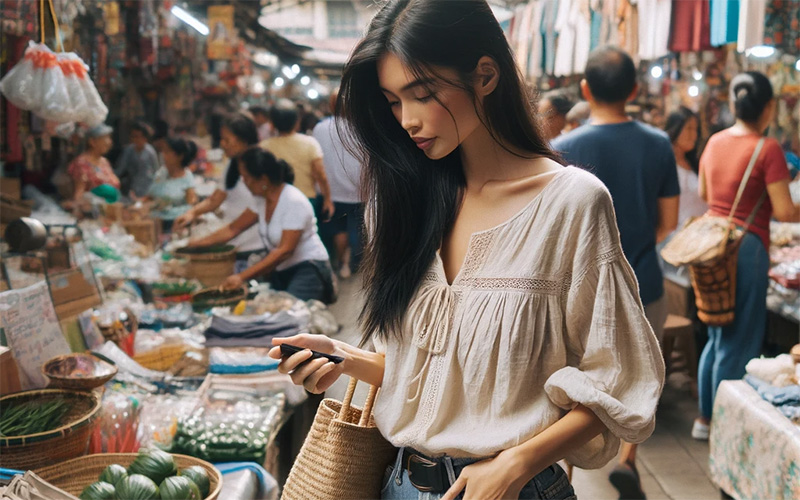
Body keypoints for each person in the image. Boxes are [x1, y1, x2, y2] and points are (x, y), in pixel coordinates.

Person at [267, 3, 664, 500]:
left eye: (422, 94)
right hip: (399, 484)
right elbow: (435, 376)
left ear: (485, 75)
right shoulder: (405, 204)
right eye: (392, 101)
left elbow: (619, 380)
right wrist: (345, 359)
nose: (408, 120)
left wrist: (514, 465)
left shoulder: (571, 203)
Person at [552, 46, 679, 500]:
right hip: (644, 280)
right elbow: (668, 223)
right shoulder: (659, 144)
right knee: (642, 377)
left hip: (578, 292)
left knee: (573, 383)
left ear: (585, 89)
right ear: (634, 90)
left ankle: (564, 473)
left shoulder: (561, 150)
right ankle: (628, 460)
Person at [693, 71, 800, 441]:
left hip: (711, 244)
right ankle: (725, 425)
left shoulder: (714, 141)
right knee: (740, 340)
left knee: (716, 336)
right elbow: (785, 211)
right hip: (746, 248)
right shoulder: (767, 148)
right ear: (768, 107)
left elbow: (707, 191)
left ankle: (704, 419)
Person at [187, 148, 334, 302]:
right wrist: (195, 245)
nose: (244, 182)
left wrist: (241, 276)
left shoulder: (293, 201)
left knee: (291, 316)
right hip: (281, 270)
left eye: (247, 178)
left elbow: (285, 250)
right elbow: (233, 229)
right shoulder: (261, 200)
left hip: (308, 268)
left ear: (263, 180)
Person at [174, 113, 265, 271]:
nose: (222, 144)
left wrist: (196, 244)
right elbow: (215, 199)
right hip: (234, 248)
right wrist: (192, 213)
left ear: (243, 139)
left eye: (227, 139)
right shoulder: (232, 165)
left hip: (253, 248)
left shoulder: (260, 168)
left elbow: (235, 227)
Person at [313, 89, 364, 279]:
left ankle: (340, 263)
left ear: (332, 105)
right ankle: (350, 264)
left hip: (331, 191)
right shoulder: (363, 128)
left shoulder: (320, 128)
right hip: (358, 189)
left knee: (339, 229)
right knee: (356, 229)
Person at [261, 100, 335, 221]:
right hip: (306, 198)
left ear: (272, 123)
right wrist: (327, 199)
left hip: (276, 200)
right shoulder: (309, 143)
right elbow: (320, 174)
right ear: (297, 122)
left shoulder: (264, 147)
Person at [664, 106, 707, 226]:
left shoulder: (695, 163)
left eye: (696, 130)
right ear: (675, 128)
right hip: (673, 238)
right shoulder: (663, 163)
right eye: (689, 128)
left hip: (697, 236)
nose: (694, 135)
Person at [66, 124, 120, 205]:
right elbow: (79, 193)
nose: (110, 142)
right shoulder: (82, 163)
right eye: (106, 138)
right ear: (92, 142)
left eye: (110, 138)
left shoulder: (104, 162)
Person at [146, 137, 198, 206]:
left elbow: (191, 205)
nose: (164, 156)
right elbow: (150, 197)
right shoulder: (161, 173)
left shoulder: (187, 178)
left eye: (167, 152)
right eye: (163, 152)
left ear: (180, 156)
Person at [115, 121, 160, 198]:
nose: (135, 139)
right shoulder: (128, 151)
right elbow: (120, 169)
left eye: (137, 136)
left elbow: (156, 171)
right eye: (133, 136)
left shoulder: (150, 152)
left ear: (145, 138)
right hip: (133, 189)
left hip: (148, 188)